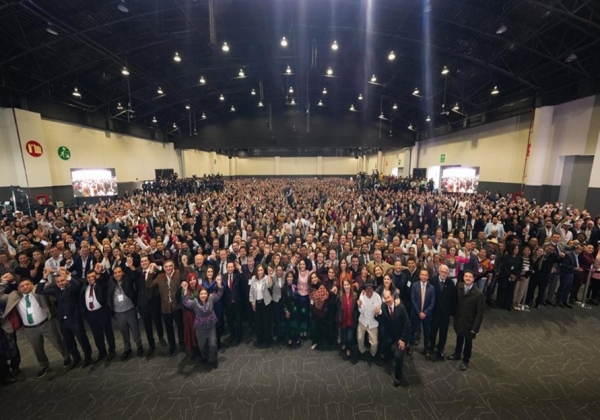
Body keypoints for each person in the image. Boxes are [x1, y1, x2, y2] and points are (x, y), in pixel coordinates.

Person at [0, 277, 70, 378]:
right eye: (22, 286)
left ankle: (66, 356)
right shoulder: (14, 296)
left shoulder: (38, 290)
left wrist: (49, 275)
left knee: (57, 341)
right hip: (29, 328)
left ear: (32, 284)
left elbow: (53, 283)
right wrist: (4, 282)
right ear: (18, 288)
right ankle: (43, 364)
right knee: (37, 348)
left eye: (27, 284)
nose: (25, 287)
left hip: (46, 323)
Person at [36, 267, 92, 369]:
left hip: (75, 319)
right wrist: (44, 277)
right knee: (68, 341)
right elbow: (39, 291)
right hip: (62, 320)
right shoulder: (56, 290)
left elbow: (78, 284)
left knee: (82, 339)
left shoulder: (72, 287)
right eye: (58, 281)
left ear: (66, 280)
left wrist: (67, 275)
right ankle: (76, 358)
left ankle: (88, 357)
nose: (61, 283)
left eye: (62, 280)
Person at [181, 276, 223, 369]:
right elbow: (185, 301)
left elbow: (219, 294)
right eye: (201, 294)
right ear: (198, 295)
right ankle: (205, 357)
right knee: (202, 346)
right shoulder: (195, 302)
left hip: (211, 326)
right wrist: (184, 290)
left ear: (207, 294)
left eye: (205, 293)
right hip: (200, 329)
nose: (203, 295)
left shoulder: (211, 299)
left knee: (213, 344)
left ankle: (213, 359)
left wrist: (219, 284)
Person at [448, 270, 484, 371]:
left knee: (468, 343)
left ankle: (466, 360)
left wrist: (475, 328)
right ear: (463, 277)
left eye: (470, 277)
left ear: (473, 279)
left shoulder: (478, 294)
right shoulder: (459, 286)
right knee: (459, 338)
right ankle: (457, 354)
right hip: (459, 319)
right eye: (466, 276)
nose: (468, 278)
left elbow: (480, 313)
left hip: (470, 323)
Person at [108, 266, 144, 360]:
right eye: (115, 273)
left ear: (123, 273)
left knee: (135, 330)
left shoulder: (127, 279)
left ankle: (139, 346)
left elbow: (134, 275)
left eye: (119, 272)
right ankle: (127, 348)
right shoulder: (111, 283)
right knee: (124, 332)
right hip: (118, 312)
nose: (117, 274)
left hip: (130, 310)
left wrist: (130, 265)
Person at [82, 268, 116, 363]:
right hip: (91, 314)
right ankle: (102, 351)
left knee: (108, 332)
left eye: (93, 276)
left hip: (102, 312)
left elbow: (107, 279)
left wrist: (102, 272)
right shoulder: (85, 286)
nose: (91, 278)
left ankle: (112, 350)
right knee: (96, 334)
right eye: (88, 277)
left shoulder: (101, 284)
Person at [152, 260, 184, 355]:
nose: (168, 268)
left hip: (176, 306)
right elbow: (149, 285)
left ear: (173, 266)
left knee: (180, 327)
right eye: (166, 267)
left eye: (170, 266)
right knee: (169, 328)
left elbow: (186, 275)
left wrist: (184, 264)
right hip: (165, 307)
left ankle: (182, 344)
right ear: (163, 268)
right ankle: (172, 346)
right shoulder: (160, 276)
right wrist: (150, 272)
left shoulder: (178, 273)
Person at [380, 289, 410, 387]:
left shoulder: (400, 308)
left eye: (388, 297)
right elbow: (381, 319)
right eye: (385, 298)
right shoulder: (383, 306)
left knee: (398, 356)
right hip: (388, 337)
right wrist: (377, 313)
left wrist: (403, 340)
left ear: (393, 297)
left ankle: (398, 377)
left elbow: (407, 324)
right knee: (385, 354)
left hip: (399, 338)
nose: (387, 300)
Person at [428, 264, 456, 360]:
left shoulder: (451, 283)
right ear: (439, 272)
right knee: (433, 331)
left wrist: (451, 313)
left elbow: (453, 299)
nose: (443, 274)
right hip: (434, 312)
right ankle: (431, 347)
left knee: (443, 333)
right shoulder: (433, 281)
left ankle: (440, 349)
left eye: (445, 272)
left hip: (445, 314)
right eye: (442, 271)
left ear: (448, 273)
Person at [409, 269, 435, 359]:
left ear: (428, 277)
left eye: (425, 275)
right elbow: (412, 299)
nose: (424, 276)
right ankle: (411, 346)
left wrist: (425, 313)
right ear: (419, 276)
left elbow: (432, 303)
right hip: (416, 313)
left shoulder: (432, 288)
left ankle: (426, 348)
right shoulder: (415, 285)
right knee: (412, 330)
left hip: (426, 315)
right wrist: (419, 312)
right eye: (422, 274)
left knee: (427, 332)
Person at [356, 278, 382, 362]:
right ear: (365, 289)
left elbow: (380, 310)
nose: (369, 290)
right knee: (359, 338)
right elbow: (362, 312)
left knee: (374, 343)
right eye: (367, 288)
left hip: (373, 323)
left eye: (370, 288)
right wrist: (359, 306)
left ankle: (372, 354)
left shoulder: (377, 297)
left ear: (373, 288)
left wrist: (378, 312)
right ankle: (362, 351)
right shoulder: (362, 295)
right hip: (363, 321)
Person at [249, 265, 273, 348]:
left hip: (266, 303)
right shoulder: (253, 279)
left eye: (261, 270)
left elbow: (269, 285)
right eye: (258, 270)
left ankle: (267, 340)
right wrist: (252, 302)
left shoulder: (266, 278)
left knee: (266, 322)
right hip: (257, 303)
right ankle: (260, 339)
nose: (260, 272)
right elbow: (251, 291)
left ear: (264, 271)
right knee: (258, 322)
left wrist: (269, 275)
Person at [223, 261, 245, 345]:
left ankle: (238, 337)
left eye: (232, 267)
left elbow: (244, 281)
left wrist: (240, 271)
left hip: (237, 303)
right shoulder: (223, 277)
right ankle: (232, 335)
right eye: (229, 267)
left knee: (238, 321)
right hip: (227, 303)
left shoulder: (238, 276)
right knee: (230, 321)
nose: (230, 268)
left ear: (234, 267)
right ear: (226, 268)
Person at [181, 272, 202, 356]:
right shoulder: (185, 290)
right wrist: (185, 290)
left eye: (194, 279)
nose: (193, 281)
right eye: (190, 280)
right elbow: (185, 302)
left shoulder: (200, 288)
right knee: (191, 331)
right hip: (190, 315)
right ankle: (193, 348)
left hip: (199, 314)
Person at [337, 278, 358, 359]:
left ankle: (348, 349)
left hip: (351, 320)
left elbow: (356, 309)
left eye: (348, 284)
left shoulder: (355, 295)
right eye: (344, 285)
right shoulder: (340, 295)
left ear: (350, 285)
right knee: (344, 338)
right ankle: (345, 344)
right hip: (342, 320)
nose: (346, 286)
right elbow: (336, 306)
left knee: (349, 338)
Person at [308, 272, 330, 350]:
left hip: (322, 311)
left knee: (320, 327)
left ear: (318, 278)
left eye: (315, 277)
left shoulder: (322, 287)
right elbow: (311, 301)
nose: (314, 279)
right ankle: (315, 342)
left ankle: (321, 342)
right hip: (314, 311)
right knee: (314, 327)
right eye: (312, 278)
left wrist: (322, 308)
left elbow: (326, 297)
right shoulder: (311, 289)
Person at [281, 271, 300, 346]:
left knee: (295, 324)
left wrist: (296, 307)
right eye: (288, 277)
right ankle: (290, 338)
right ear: (286, 278)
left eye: (291, 276)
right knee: (288, 324)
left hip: (295, 308)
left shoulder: (295, 286)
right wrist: (286, 311)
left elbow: (297, 298)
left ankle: (296, 337)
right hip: (287, 309)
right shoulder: (284, 288)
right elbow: (283, 301)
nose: (290, 278)